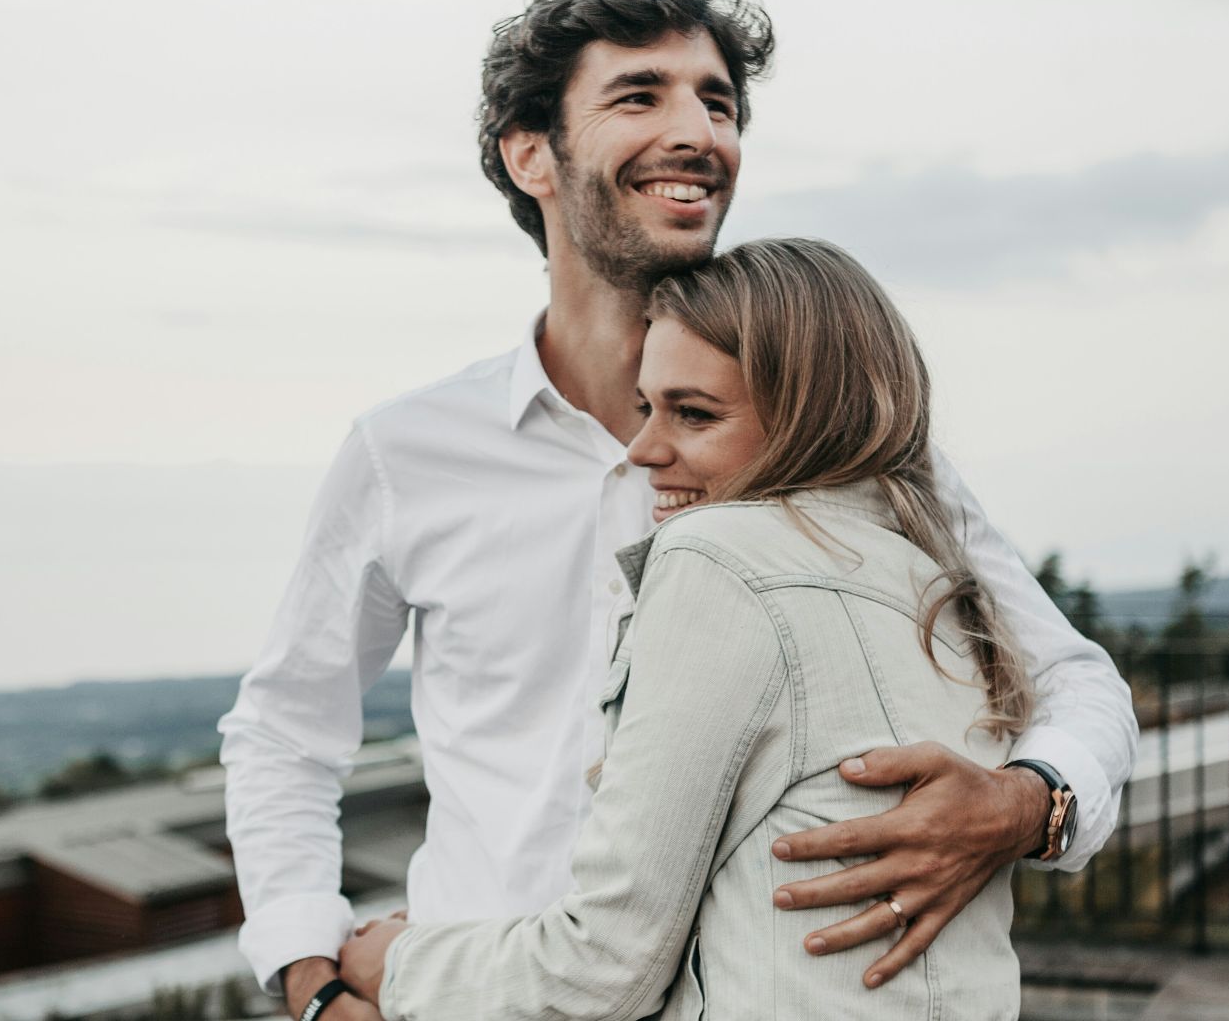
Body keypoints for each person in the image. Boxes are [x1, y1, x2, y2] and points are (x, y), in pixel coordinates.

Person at [217, 0, 1137, 1020]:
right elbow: (286, 729)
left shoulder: (842, 439)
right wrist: (310, 982)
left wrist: (1028, 806)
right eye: (639, 94)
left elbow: (1075, 678)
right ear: (532, 155)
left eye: (718, 101)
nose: (700, 131)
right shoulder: (405, 452)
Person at [337, 236, 1033, 1019]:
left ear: (809, 417)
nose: (642, 451)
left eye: (693, 415)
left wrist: (395, 964)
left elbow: (604, 967)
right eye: (646, 408)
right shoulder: (938, 578)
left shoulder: (717, 556)